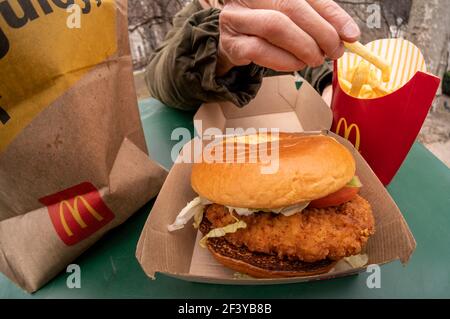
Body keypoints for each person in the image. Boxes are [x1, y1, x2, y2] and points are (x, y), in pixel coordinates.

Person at [145, 0, 360, 110]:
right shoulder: (190, 14)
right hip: (215, 139)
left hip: (285, 130)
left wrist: (328, 81)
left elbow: (306, 52)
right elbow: (158, 77)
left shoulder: (273, 6)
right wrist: (220, 52)